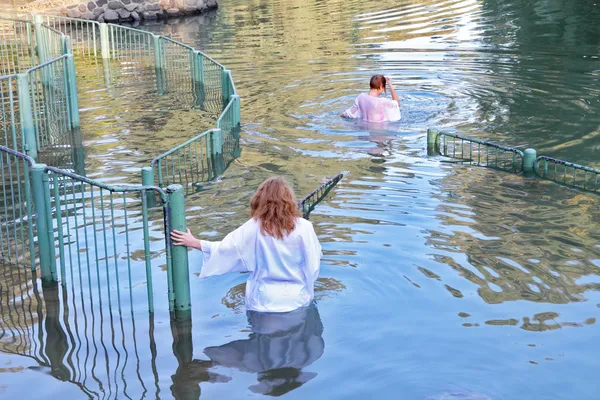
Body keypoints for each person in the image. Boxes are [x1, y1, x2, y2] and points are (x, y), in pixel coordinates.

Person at [170, 176, 323, 313]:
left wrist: (194, 242)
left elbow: (226, 249)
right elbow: (313, 263)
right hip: (296, 299)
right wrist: (307, 289)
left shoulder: (254, 226)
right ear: (289, 200)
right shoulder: (304, 227)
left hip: (263, 300)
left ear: (260, 199)